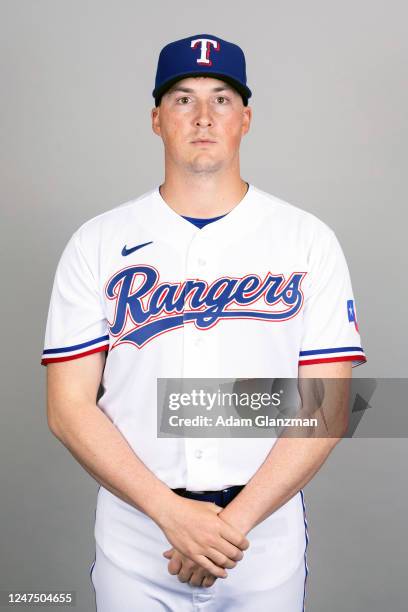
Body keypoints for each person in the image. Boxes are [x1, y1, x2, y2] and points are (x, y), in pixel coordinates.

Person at [41, 33, 367, 611]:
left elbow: (329, 406)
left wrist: (227, 526)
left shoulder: (306, 240)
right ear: (156, 119)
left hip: (261, 535)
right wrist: (173, 516)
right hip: (137, 533)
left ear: (245, 118)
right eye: (182, 99)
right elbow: (68, 408)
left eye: (221, 98)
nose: (202, 116)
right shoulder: (96, 243)